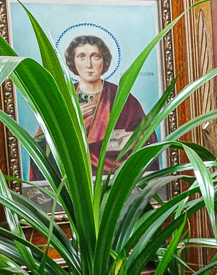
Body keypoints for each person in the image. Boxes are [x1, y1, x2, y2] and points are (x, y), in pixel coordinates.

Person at [33, 34, 148, 179]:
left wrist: (119, 141)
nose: (89, 64)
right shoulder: (62, 98)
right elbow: (41, 144)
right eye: (81, 57)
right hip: (74, 177)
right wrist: (71, 120)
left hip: (116, 179)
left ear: (104, 60)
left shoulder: (122, 97)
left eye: (95, 57)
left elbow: (146, 139)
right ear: (72, 61)